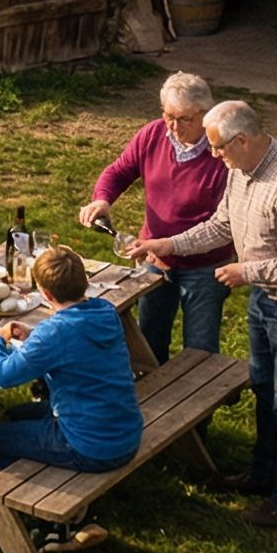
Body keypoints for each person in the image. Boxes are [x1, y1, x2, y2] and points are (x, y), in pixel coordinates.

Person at [126, 100, 277, 527]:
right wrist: (167, 245)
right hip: (266, 297)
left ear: (242, 139)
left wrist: (248, 270)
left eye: (219, 148)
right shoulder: (240, 171)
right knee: (265, 387)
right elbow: (221, 224)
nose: (214, 156)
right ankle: (263, 475)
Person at [0, 245, 142, 553]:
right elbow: (69, 341)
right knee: (18, 415)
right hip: (125, 432)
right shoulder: (105, 312)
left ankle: (52, 519)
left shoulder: (55, 334)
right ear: (84, 282)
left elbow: (1, 376)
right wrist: (34, 334)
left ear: (45, 293)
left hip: (87, 445)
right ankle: (62, 512)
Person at [79, 71, 235, 361]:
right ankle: (152, 402)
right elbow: (119, 170)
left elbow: (221, 228)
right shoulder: (152, 134)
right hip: (155, 260)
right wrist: (102, 200)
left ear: (205, 114)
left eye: (184, 119)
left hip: (205, 267)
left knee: (200, 351)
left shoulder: (222, 157)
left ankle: (199, 401)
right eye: (168, 116)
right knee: (148, 343)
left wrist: (168, 244)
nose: (174, 127)